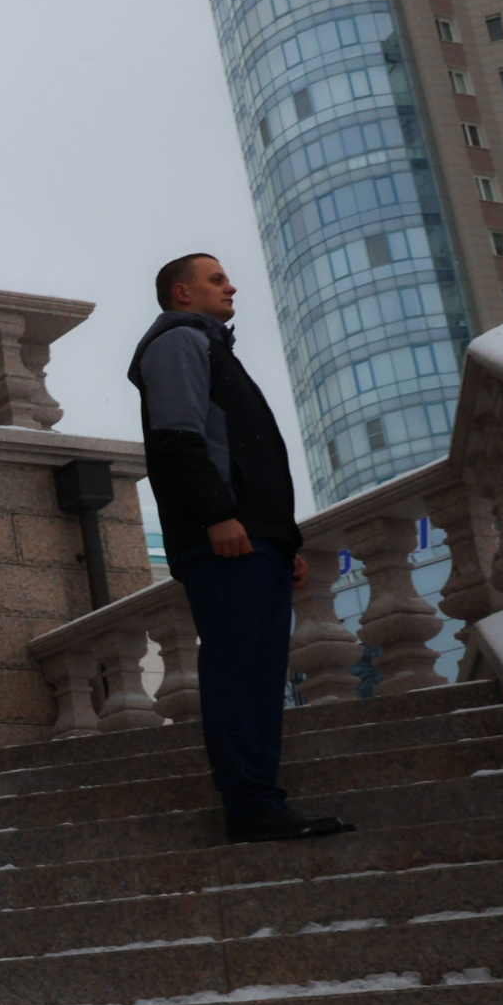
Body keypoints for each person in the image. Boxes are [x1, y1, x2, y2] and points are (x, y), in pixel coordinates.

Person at [130, 253, 353, 844]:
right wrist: (219, 516)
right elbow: (177, 439)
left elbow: (243, 452)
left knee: (258, 671)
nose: (231, 287)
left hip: (253, 539)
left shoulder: (211, 346)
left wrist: (283, 540)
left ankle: (260, 799)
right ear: (182, 293)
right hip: (225, 539)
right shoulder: (179, 342)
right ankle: (250, 805)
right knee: (239, 668)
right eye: (216, 279)